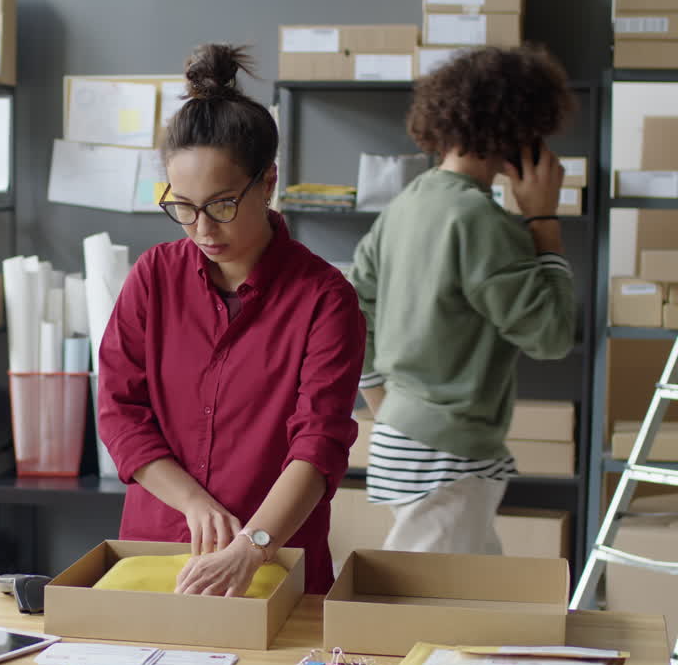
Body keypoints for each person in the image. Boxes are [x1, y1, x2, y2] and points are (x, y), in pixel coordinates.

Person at [97, 43, 365, 597]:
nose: (201, 228)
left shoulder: (325, 299)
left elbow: (319, 444)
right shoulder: (153, 277)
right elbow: (119, 411)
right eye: (183, 207)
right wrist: (194, 502)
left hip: (275, 562)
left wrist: (252, 546)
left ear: (267, 184)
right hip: (159, 552)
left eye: (221, 204)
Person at [348, 45, 577, 554]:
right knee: (436, 609)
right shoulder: (483, 223)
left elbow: (354, 307)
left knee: (463, 594)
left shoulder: (407, 204)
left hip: (403, 439)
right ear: (519, 128)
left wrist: (388, 404)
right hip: (445, 453)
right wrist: (543, 222)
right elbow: (551, 335)